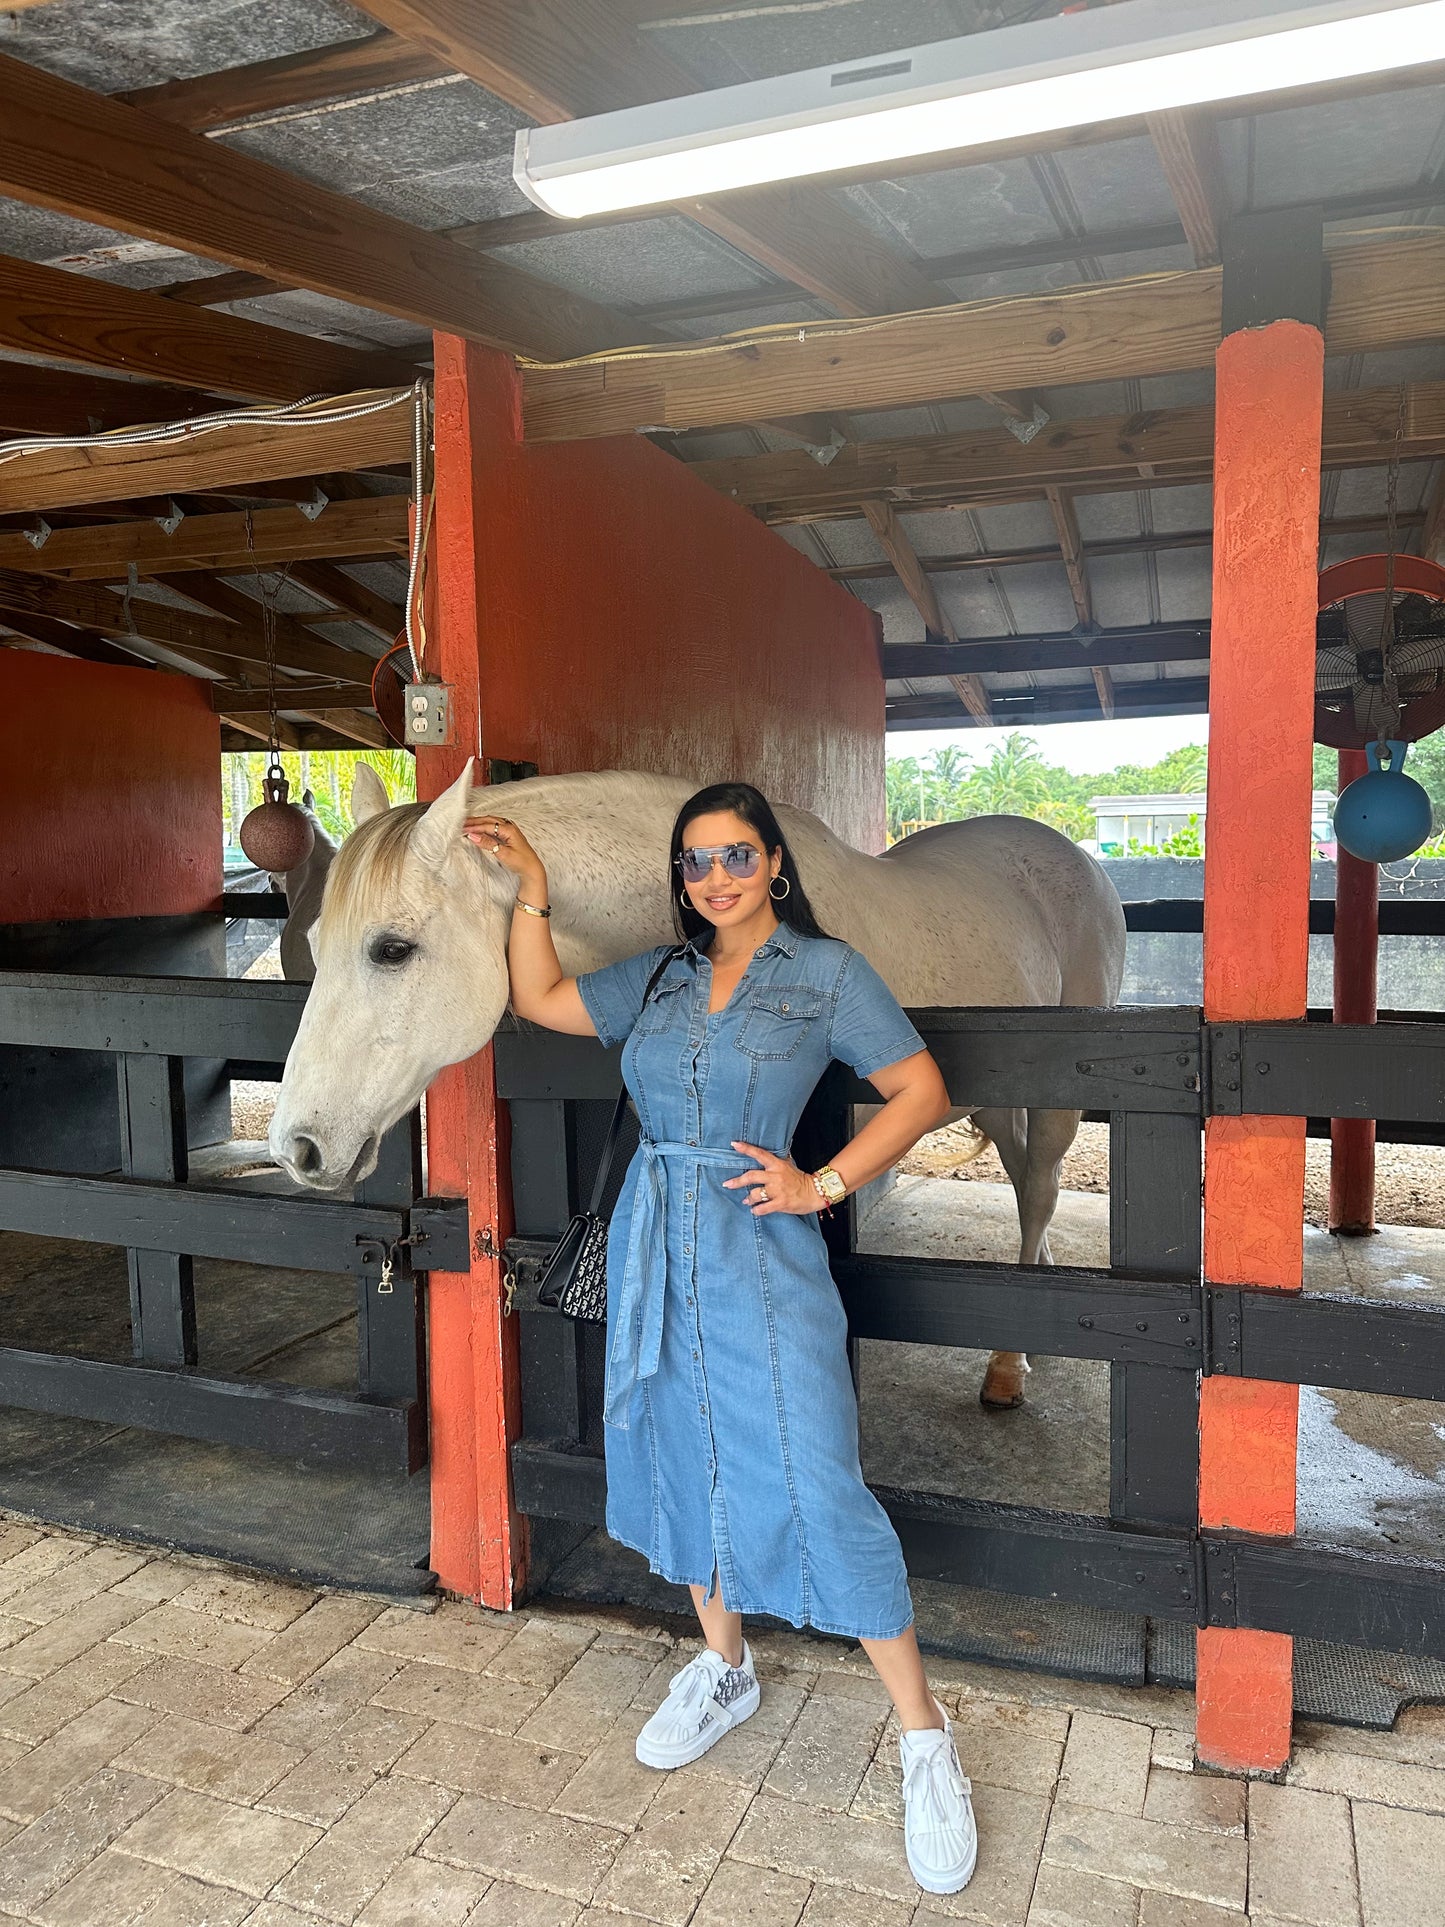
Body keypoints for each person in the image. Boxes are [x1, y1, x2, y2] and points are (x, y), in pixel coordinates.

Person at [466, 780, 976, 1897]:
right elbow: (541, 994)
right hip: (655, 1242)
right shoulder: (656, 975)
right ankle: (722, 1665)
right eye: (694, 863)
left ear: (774, 863)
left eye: (735, 855)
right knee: (678, 1445)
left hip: (760, 1250)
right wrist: (531, 895)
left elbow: (920, 1086)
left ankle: (924, 1735)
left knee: (813, 1472)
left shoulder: (823, 976)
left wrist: (822, 1181)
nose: (715, 878)